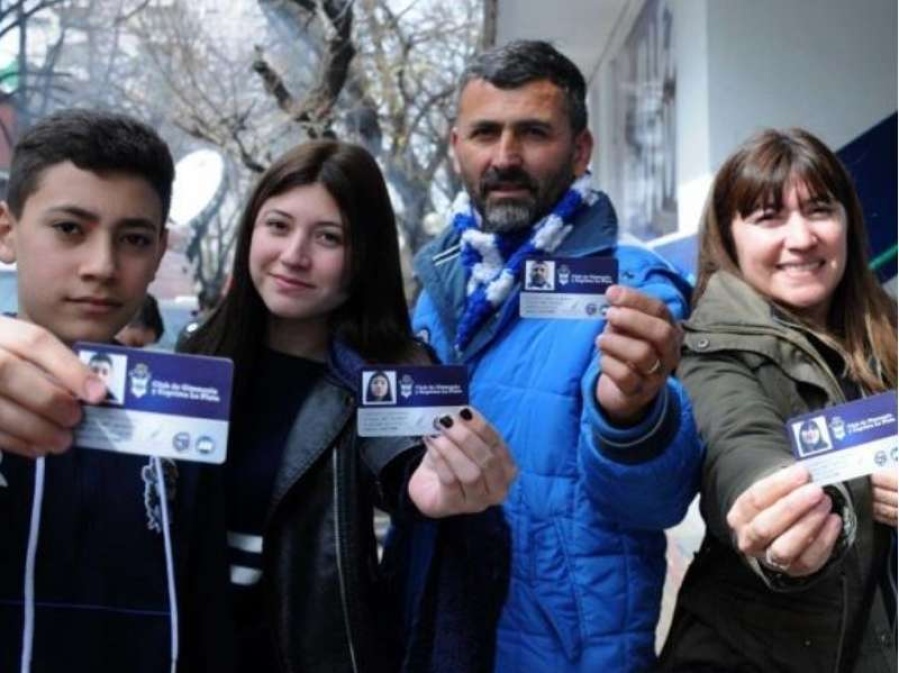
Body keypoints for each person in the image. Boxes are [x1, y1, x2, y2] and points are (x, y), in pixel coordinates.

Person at [411, 40, 702, 672]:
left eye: (534, 132)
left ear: (580, 150)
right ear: (456, 145)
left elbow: (657, 502)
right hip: (445, 637)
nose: (505, 157)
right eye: (485, 133)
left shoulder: (634, 288)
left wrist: (632, 416)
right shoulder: (434, 288)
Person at [180, 139, 518, 673]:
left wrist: (440, 486)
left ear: (363, 256)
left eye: (328, 237)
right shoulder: (194, 360)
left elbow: (406, 462)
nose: (294, 255)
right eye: (278, 226)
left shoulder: (395, 372)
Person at [658, 128, 898, 671]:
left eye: (819, 210)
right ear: (729, 237)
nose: (802, 237)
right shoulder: (709, 350)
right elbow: (738, 443)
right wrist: (777, 512)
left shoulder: (886, 330)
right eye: (769, 218)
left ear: (848, 222)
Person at [0, 109, 229, 671]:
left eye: (133, 239)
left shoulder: (185, 416)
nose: (102, 266)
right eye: (69, 229)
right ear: (7, 231)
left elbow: (209, 619)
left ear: (159, 253)